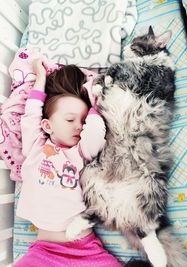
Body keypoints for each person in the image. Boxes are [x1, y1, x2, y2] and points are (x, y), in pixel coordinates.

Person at [13, 59, 122, 267]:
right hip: (44, 251)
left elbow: (96, 130)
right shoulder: (36, 148)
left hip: (86, 249)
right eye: (70, 120)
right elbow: (31, 112)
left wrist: (94, 98)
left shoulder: (81, 153)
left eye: (83, 120)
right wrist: (40, 77)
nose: (79, 126)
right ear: (47, 125)